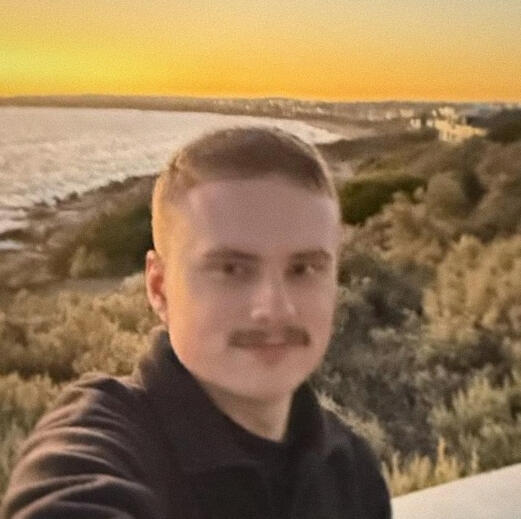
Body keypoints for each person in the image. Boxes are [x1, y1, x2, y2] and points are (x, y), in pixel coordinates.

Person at [2, 126, 391, 518]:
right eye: (232, 269)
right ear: (159, 288)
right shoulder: (100, 444)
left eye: (304, 268)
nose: (276, 307)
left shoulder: (350, 468)